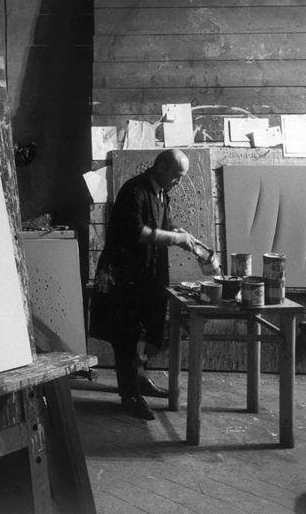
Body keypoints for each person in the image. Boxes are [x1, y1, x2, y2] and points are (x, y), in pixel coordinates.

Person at [88, 148, 201, 420]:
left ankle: (138, 379)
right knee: (125, 334)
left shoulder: (161, 192)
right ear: (160, 167)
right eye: (176, 176)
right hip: (122, 274)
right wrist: (175, 240)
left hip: (144, 273)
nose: (179, 182)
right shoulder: (134, 191)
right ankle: (129, 394)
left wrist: (178, 232)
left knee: (142, 329)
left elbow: (163, 221)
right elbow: (138, 231)